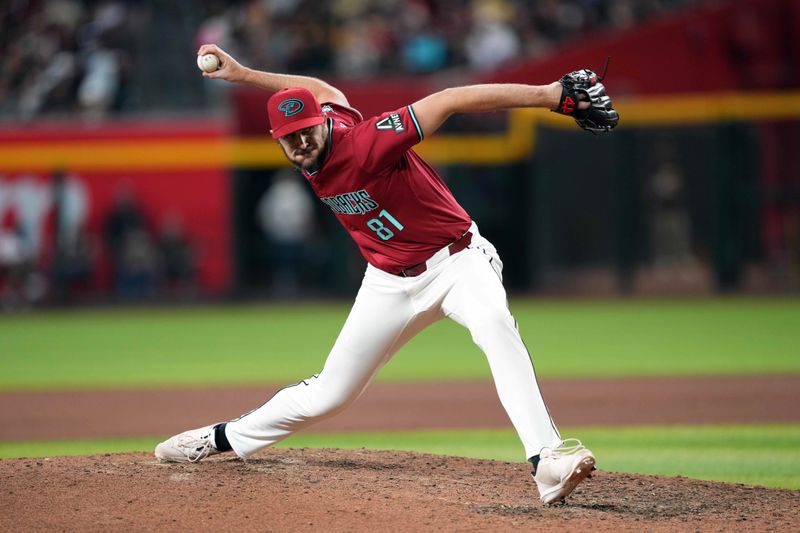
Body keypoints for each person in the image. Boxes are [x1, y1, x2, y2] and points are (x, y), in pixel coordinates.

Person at [155, 43, 618, 505]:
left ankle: (547, 460)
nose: (301, 143)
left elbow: (449, 99)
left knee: (495, 327)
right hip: (387, 281)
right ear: (278, 140)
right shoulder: (317, 134)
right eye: (290, 138)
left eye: (306, 131)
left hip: (456, 262)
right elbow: (320, 89)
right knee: (329, 395)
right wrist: (244, 74)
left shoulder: (366, 141)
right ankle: (218, 438)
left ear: (321, 124)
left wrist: (552, 94)